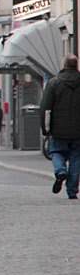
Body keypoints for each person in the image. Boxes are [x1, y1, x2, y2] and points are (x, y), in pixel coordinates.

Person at [40, 54, 80, 199]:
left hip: (58, 129)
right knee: (76, 158)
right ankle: (72, 191)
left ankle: (60, 171)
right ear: (76, 66)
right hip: (78, 130)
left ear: (64, 65)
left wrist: (46, 128)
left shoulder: (54, 83)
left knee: (56, 152)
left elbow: (46, 108)